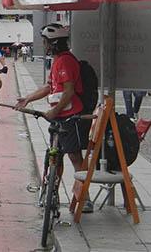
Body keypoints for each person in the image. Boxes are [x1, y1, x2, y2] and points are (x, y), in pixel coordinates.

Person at [14, 23, 93, 213]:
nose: (44, 46)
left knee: (75, 156)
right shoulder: (57, 61)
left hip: (70, 116)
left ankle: (85, 197)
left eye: (46, 42)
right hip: (59, 117)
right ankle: (52, 192)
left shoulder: (66, 61)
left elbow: (68, 91)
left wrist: (54, 112)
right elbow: (49, 87)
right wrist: (28, 99)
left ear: (55, 43)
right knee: (55, 156)